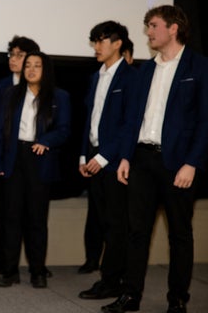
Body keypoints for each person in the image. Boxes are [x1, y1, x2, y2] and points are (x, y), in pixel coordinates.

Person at [102, 5, 208, 313]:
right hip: (141, 160)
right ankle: (131, 295)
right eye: (147, 27)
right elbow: (132, 119)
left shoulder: (202, 68)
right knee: (136, 231)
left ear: (173, 28)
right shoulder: (145, 71)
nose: (148, 32)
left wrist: (192, 162)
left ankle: (177, 299)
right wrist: (126, 157)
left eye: (153, 26)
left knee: (180, 234)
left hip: (179, 164)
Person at [0, 51, 71, 288]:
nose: (32, 69)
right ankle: (9, 271)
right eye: (28, 65)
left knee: (37, 219)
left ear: (46, 70)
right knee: (11, 217)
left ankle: (38, 270)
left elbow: (65, 129)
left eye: (37, 65)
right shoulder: (10, 94)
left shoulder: (60, 96)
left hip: (40, 159)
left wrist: (47, 140)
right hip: (14, 158)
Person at [77, 21, 137, 300]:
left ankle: (112, 282)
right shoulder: (96, 76)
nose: (97, 46)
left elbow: (129, 125)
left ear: (117, 43)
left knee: (116, 225)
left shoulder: (130, 77)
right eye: (95, 41)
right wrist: (83, 155)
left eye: (102, 41)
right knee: (101, 222)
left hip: (113, 164)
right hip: (93, 159)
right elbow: (89, 119)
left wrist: (102, 157)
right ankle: (109, 277)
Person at [0, 35, 41, 276]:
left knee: (32, 215)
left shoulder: (45, 88)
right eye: (12, 54)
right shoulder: (1, 86)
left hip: (32, 160)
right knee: (5, 213)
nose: (14, 59)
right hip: (6, 160)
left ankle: (34, 266)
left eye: (20, 55)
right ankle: (3, 262)